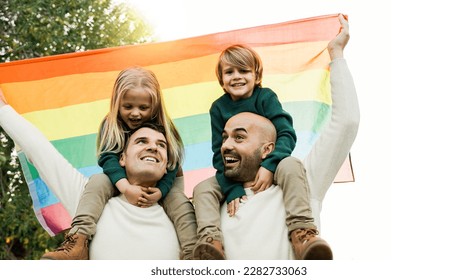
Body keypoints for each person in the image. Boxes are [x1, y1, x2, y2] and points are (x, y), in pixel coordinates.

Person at [193, 14, 353, 260]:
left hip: (278, 165)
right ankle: (211, 242)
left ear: (256, 76)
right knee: (203, 188)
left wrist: (336, 54)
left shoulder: (297, 183)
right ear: (221, 81)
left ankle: (302, 232)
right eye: (229, 72)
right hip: (229, 185)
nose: (226, 145)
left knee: (290, 164)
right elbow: (217, 152)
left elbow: (298, 130)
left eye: (239, 136)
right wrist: (230, 187)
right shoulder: (218, 109)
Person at [1, 67, 197, 260]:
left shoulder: (181, 212)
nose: (153, 147)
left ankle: (195, 255)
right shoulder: (90, 199)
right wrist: (3, 111)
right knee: (99, 179)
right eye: (141, 141)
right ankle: (78, 241)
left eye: (161, 145)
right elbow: (38, 148)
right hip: (109, 188)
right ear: (122, 156)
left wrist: (164, 190)